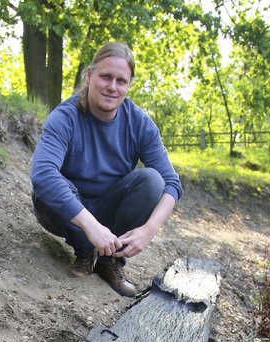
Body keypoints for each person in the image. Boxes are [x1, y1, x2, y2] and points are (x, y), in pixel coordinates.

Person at [30, 42, 182, 297]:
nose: (112, 87)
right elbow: (43, 173)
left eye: (121, 81)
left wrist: (149, 229)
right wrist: (90, 226)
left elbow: (172, 183)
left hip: (110, 210)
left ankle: (109, 260)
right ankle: (84, 251)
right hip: (65, 212)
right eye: (105, 77)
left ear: (129, 85)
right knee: (50, 186)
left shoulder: (139, 123)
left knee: (152, 181)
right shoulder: (65, 116)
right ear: (90, 76)